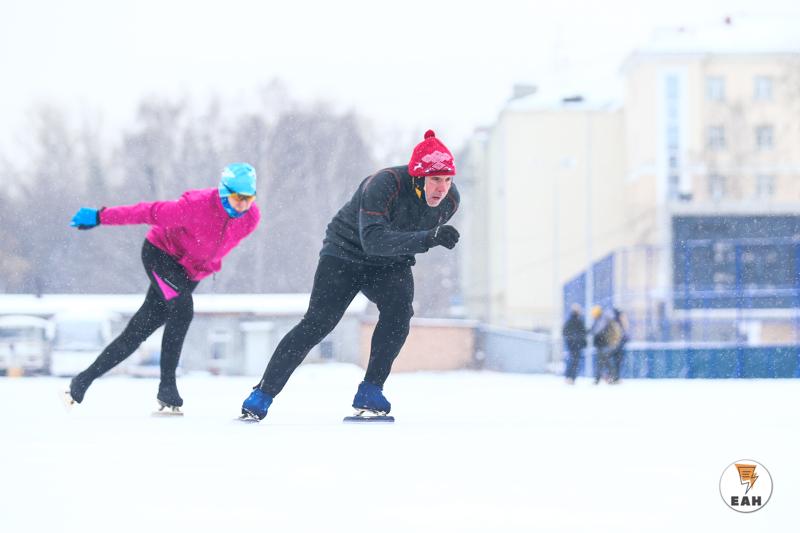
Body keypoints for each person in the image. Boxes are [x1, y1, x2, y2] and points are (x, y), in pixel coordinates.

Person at [240, 130, 460, 421]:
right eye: (435, 179)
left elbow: (407, 235)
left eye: (447, 179)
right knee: (318, 323)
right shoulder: (384, 184)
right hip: (345, 253)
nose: (442, 188)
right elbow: (373, 240)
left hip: (390, 263)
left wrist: (424, 239)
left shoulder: (450, 201)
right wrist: (428, 238)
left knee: (399, 313)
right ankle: (263, 393)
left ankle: (371, 390)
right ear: (417, 177)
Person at [65, 163, 261, 412]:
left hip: (189, 273)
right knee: (182, 308)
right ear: (224, 193)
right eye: (237, 199)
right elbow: (146, 212)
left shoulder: (251, 219)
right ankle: (167, 387)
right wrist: (100, 216)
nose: (243, 206)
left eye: (248, 199)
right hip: (160, 256)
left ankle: (82, 380)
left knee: (139, 330)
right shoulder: (195, 206)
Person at [590, 305, 622, 385]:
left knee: (603, 362)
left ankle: (610, 377)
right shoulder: (607, 320)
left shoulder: (603, 320)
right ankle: (612, 377)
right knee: (604, 362)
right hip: (605, 345)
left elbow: (597, 331)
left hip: (605, 345)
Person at [562, 303, 588, 384]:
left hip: (572, 344)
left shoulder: (569, 321)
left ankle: (569, 377)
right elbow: (583, 333)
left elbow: (564, 332)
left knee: (571, 360)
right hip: (577, 345)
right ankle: (571, 377)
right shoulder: (579, 321)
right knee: (574, 362)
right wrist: (582, 342)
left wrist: (569, 340)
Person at [608, 307, 629, 384]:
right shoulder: (618, 323)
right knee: (616, 362)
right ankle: (613, 377)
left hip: (615, 345)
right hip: (617, 345)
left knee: (614, 362)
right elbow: (622, 336)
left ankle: (613, 377)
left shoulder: (614, 322)